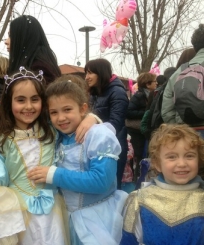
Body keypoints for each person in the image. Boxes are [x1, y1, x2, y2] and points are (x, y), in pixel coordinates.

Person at [0, 67, 99, 245]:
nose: (28, 106)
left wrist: (92, 118)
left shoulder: (52, 132)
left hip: (53, 215)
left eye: (35, 99)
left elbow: (75, 121)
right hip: (17, 217)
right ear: (9, 103)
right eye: (20, 100)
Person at [28, 80, 128, 245]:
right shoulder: (58, 136)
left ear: (82, 108)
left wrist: (54, 174)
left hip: (98, 219)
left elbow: (101, 180)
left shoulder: (98, 135)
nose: (61, 118)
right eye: (54, 112)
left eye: (67, 109)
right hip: (68, 219)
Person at [120, 124, 204, 245]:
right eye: (172, 157)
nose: (181, 163)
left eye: (189, 156)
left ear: (199, 160)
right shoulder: (140, 201)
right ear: (157, 164)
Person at [85, 58, 129, 190]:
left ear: (101, 72)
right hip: (95, 145)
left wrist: (94, 120)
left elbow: (116, 122)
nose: (86, 77)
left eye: (90, 73)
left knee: (112, 186)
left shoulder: (117, 92)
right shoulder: (96, 93)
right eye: (85, 73)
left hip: (112, 147)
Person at [161, 25, 204, 125]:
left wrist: (181, 131)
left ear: (195, 46)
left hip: (187, 134)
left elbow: (167, 111)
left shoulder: (179, 72)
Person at [4, 15, 61, 85]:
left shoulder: (38, 70)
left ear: (24, 38)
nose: (6, 42)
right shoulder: (38, 64)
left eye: (11, 36)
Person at [126, 72, 157, 180]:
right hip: (135, 130)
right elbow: (129, 112)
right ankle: (136, 177)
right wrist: (146, 112)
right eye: (154, 81)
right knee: (138, 154)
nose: (156, 83)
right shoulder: (139, 96)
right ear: (148, 84)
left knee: (142, 153)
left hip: (141, 130)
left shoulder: (151, 94)